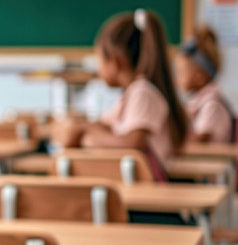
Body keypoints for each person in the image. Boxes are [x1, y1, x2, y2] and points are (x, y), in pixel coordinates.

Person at [53, 9, 189, 171]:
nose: (98, 67)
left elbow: (132, 145)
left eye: (99, 57)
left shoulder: (143, 93)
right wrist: (84, 129)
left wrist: (87, 133)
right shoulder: (130, 94)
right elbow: (104, 126)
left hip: (149, 190)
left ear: (115, 61)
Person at [175, 25, 233, 143]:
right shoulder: (197, 102)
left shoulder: (212, 105)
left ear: (199, 77)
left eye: (181, 71)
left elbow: (199, 140)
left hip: (213, 161)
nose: (177, 77)